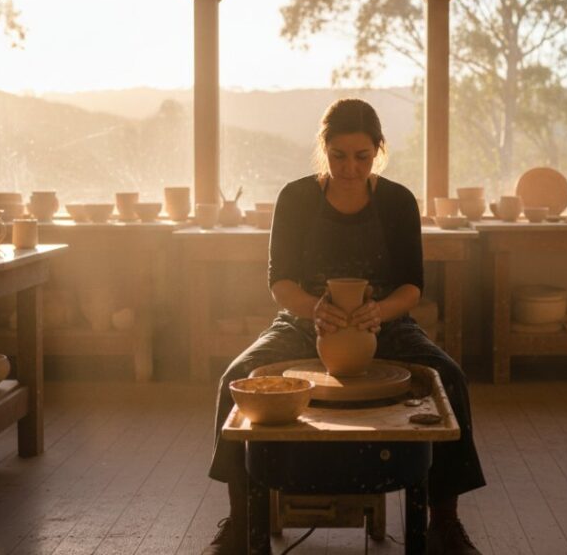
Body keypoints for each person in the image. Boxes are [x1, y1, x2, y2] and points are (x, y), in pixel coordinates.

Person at [204, 98, 486, 555]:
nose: (350, 168)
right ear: (324, 148)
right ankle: (238, 523)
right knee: (235, 380)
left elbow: (412, 286)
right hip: (304, 319)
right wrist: (315, 308)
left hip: (384, 322)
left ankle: (445, 522)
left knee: (448, 377)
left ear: (378, 150)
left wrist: (380, 312)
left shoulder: (396, 201)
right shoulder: (296, 198)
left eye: (362, 156)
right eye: (339, 156)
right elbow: (280, 283)